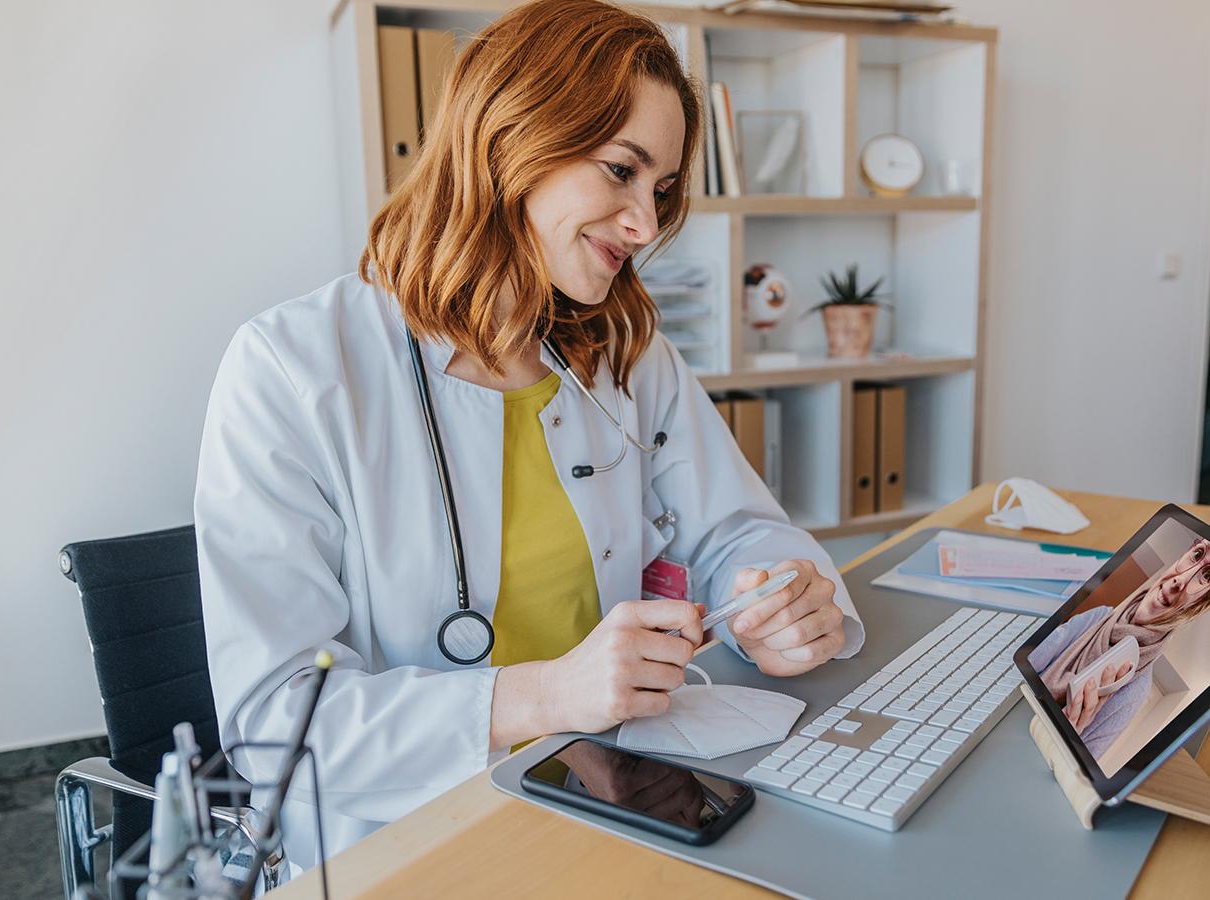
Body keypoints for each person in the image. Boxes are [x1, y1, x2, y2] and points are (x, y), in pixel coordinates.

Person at [193, 0, 865, 865]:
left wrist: (779, 597)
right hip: (411, 836)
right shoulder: (294, 370)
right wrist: (543, 695)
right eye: (622, 170)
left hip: (624, 792)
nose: (645, 224)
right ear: (513, 137)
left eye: (660, 190)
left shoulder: (623, 349)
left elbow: (736, 528)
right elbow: (274, 728)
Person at [1029, 539, 1210, 758]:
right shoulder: (1099, 615)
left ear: (1202, 601)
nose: (1180, 580)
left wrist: (1065, 742)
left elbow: (1079, 764)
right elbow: (1028, 662)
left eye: (1207, 575)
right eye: (1197, 554)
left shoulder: (1136, 691)